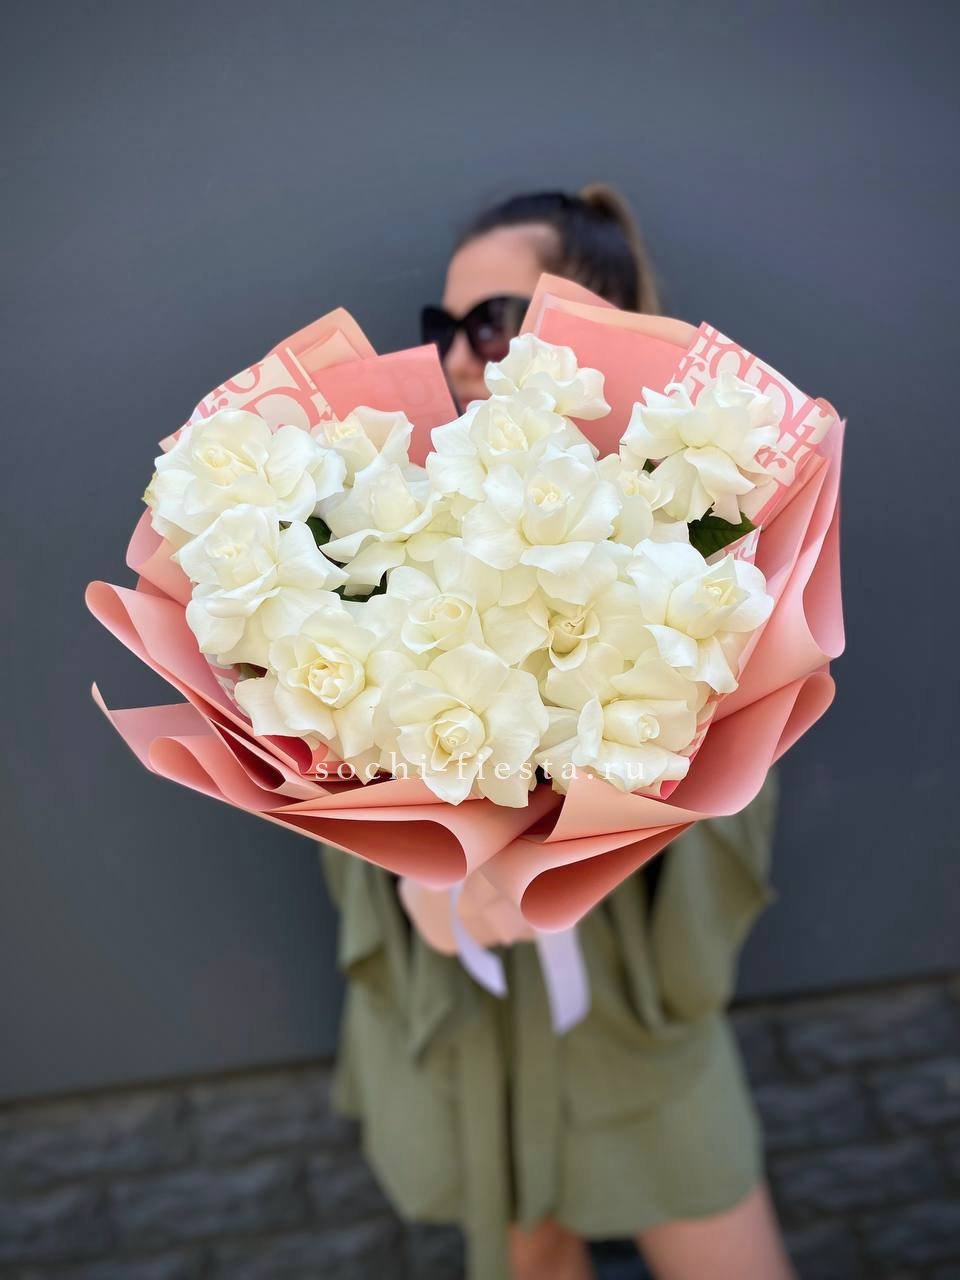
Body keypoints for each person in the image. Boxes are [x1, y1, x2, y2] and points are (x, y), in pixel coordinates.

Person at [320, 186, 793, 1280]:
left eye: (493, 321)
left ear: (599, 322)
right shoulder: (394, 513)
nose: (459, 355)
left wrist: (593, 827)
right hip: (469, 1008)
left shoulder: (697, 521)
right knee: (527, 1256)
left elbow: (744, 772)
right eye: (443, 327)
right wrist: (422, 872)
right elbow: (316, 745)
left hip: (628, 995)